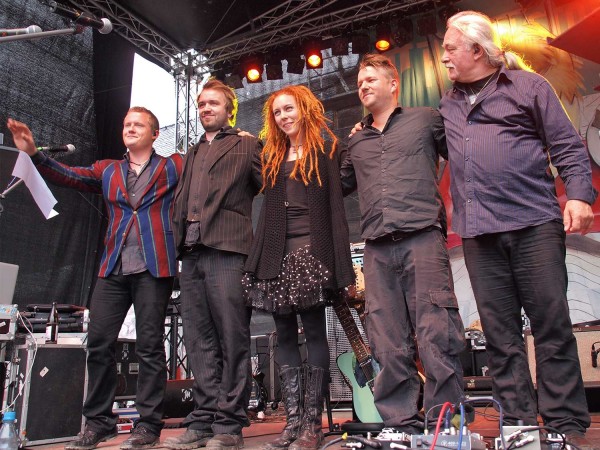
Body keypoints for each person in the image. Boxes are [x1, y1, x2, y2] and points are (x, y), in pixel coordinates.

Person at [439, 10, 597, 448]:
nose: (445, 57)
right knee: (500, 336)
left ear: (477, 49)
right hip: (479, 234)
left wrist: (581, 195)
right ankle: (520, 426)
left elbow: (567, 145)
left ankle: (566, 425)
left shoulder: (528, 86)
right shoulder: (446, 103)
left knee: (551, 325)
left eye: (451, 48)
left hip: (533, 224)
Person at [7, 107, 182, 450]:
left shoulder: (172, 166)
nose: (130, 128)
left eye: (138, 124)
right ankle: (99, 422)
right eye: (126, 124)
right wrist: (33, 154)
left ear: (154, 133)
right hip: (113, 266)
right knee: (100, 344)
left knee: (149, 347)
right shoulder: (108, 170)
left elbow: (206, 164)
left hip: (154, 266)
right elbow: (69, 175)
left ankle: (148, 425)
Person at [340, 53, 466, 434]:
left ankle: (443, 423)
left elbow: (465, 156)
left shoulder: (426, 119)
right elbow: (331, 187)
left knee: (436, 330)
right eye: (360, 82)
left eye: (370, 79)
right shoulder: (355, 141)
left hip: (422, 238)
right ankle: (400, 423)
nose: (362, 86)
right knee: (386, 337)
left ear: (393, 84)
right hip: (377, 246)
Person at [242, 85, 355, 450]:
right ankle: (292, 421)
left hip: (312, 250)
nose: (284, 117)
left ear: (304, 109)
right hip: (276, 251)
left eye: (289, 109)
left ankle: (312, 424)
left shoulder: (326, 150)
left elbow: (340, 198)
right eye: (277, 112)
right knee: (285, 336)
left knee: (315, 334)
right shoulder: (271, 155)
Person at [165, 79, 262, 450]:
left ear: (229, 109)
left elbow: (273, 182)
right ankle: (202, 419)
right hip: (191, 254)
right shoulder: (191, 152)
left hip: (229, 250)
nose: (206, 109)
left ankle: (230, 424)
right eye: (202, 104)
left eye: (214, 104)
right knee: (198, 340)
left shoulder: (248, 143)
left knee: (232, 337)